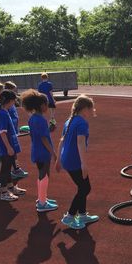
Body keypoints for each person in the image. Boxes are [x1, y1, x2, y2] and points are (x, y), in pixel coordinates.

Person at [55, 95, 99, 230]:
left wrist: (58, 160)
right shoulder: (81, 122)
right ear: (85, 109)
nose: (93, 111)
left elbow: (61, 141)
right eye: (91, 108)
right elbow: (80, 143)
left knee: (82, 187)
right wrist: (83, 164)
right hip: (74, 161)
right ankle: (69, 216)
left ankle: (82, 214)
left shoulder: (70, 120)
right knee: (85, 188)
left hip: (66, 159)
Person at [21, 89, 58, 212]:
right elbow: (43, 138)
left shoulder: (33, 118)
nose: (47, 107)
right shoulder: (40, 119)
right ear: (42, 105)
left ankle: (42, 198)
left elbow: (39, 134)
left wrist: (49, 129)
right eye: (46, 104)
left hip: (36, 148)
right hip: (43, 151)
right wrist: (53, 153)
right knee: (44, 174)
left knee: (42, 174)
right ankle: (42, 202)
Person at [0, 90, 26, 201]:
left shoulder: (4, 112)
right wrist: (8, 147)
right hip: (6, 147)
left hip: (9, 145)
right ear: (10, 101)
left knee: (8, 168)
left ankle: (10, 187)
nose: (14, 103)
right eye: (14, 101)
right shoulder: (3, 114)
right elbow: (2, 132)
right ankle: (4, 192)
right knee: (5, 169)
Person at [3, 81, 28, 179]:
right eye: (14, 90)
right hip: (9, 132)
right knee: (11, 151)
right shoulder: (6, 106)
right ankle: (14, 169)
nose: (16, 92)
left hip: (13, 130)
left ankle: (16, 168)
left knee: (14, 151)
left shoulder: (12, 104)